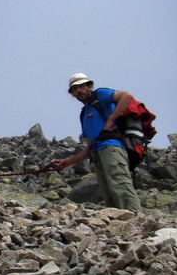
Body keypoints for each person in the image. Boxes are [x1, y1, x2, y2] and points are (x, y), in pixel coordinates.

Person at [50, 73, 142, 213]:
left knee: (120, 184)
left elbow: (127, 96)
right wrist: (67, 162)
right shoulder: (84, 114)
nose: (79, 91)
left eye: (81, 86)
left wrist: (111, 119)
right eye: (75, 89)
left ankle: (136, 219)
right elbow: (88, 148)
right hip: (96, 154)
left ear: (89, 86)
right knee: (108, 192)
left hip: (111, 147)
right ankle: (121, 223)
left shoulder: (101, 95)